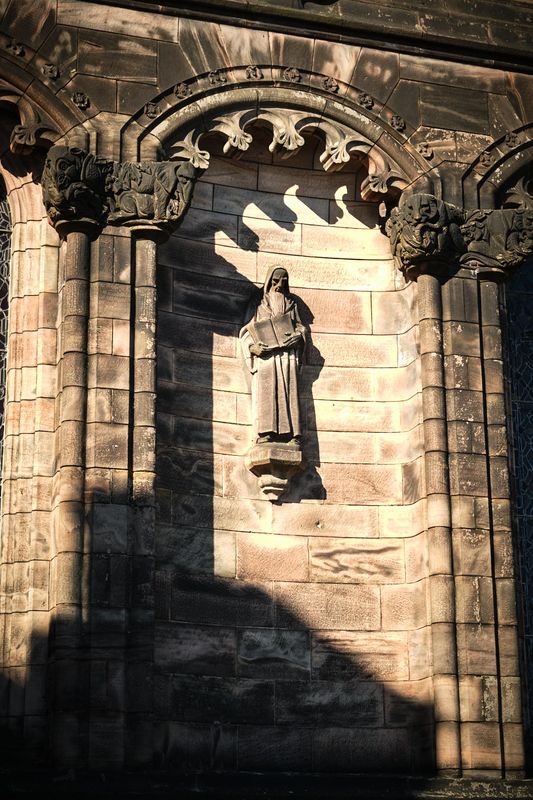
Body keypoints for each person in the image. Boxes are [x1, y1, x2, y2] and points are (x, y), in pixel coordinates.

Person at [240, 266, 307, 446]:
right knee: (267, 391)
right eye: (276, 281)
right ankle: (266, 432)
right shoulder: (258, 304)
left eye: (284, 281)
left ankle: (293, 434)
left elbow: (300, 327)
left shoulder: (291, 304)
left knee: (289, 391)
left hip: (287, 355)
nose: (279, 285)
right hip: (266, 356)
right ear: (269, 281)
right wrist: (253, 348)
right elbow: (247, 331)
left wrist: (299, 336)